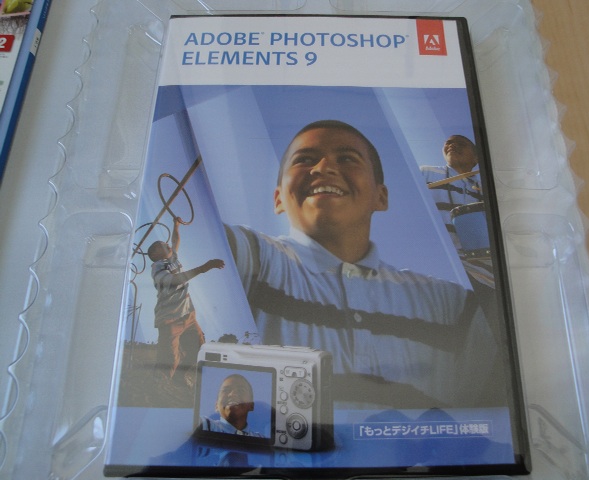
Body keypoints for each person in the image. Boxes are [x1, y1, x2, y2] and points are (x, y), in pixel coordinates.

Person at [224, 120, 494, 408]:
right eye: (304, 160)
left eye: (347, 159)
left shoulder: (452, 306)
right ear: (278, 199)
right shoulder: (253, 259)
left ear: (381, 196)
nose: (323, 168)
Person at [148, 216, 225, 387]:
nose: (167, 244)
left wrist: (176, 226)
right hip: (170, 317)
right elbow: (175, 280)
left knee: (199, 348)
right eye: (162, 244)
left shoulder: (172, 259)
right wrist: (204, 268)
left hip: (188, 315)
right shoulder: (157, 268)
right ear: (155, 255)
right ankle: (157, 386)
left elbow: (175, 241)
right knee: (170, 358)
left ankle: (179, 377)